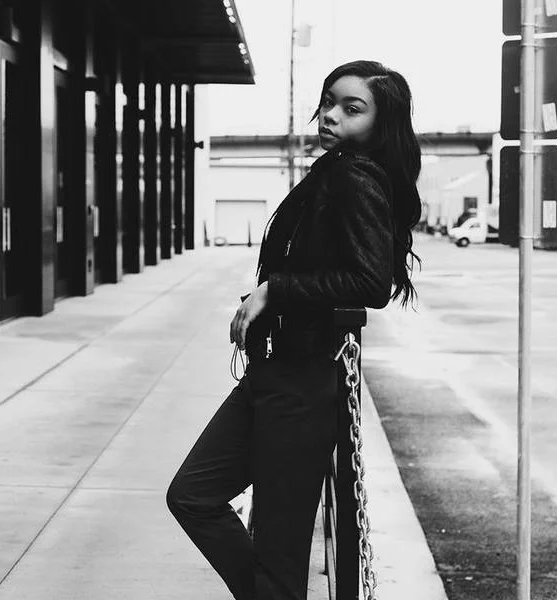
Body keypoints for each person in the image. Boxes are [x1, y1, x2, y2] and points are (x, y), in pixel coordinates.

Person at [166, 59, 422, 600]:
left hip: (302, 384)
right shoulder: (332, 171)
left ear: (380, 123)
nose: (330, 115)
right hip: (276, 372)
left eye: (352, 109)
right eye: (329, 102)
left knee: (277, 550)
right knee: (193, 494)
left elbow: (370, 282)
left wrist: (275, 290)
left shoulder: (355, 177)